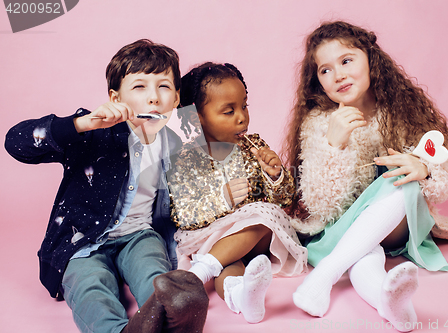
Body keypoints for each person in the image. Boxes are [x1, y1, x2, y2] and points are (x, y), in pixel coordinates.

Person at [4, 39, 208, 333]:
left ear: (177, 98)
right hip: (82, 240)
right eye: (139, 87)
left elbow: (209, 177)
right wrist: (81, 124)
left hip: (140, 234)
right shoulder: (94, 131)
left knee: (157, 277)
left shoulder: (181, 133)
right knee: (90, 285)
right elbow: (15, 142)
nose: (154, 98)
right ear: (116, 99)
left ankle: (174, 319)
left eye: (163, 87)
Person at [283, 21, 448, 332]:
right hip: (345, 228)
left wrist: (424, 168)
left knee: (399, 180)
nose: (339, 74)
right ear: (318, 81)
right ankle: (388, 303)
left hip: (396, 226)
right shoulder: (320, 122)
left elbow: (444, 159)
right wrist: (335, 144)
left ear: (371, 60)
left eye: (347, 60)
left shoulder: (401, 111)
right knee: (363, 255)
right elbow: (321, 205)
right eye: (325, 70)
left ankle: (323, 275)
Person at [167, 62, 308, 324]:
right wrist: (224, 197)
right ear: (198, 116)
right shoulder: (186, 156)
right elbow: (182, 212)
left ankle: (219, 283)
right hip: (211, 237)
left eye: (244, 106)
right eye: (228, 111)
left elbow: (285, 200)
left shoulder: (252, 145)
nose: (242, 117)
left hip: (254, 237)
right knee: (228, 265)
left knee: (264, 216)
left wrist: (274, 174)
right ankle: (221, 284)